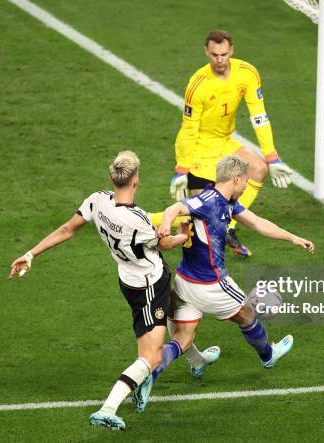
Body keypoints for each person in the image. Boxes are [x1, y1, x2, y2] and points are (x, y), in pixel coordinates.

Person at [9, 151, 218, 431]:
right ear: (136, 181)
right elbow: (163, 244)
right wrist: (182, 234)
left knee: (178, 311)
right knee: (151, 356)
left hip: (129, 281)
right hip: (149, 287)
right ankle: (109, 407)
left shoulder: (97, 200)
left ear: (111, 179)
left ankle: (197, 360)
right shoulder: (137, 220)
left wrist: (31, 254)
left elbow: (66, 229)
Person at [133, 154, 314, 411]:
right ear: (236, 178)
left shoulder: (226, 201)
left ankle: (149, 376)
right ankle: (268, 355)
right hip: (210, 283)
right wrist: (164, 225)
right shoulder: (207, 202)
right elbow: (175, 208)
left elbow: (258, 222)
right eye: (246, 182)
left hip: (184, 282)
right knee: (248, 313)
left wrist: (293, 237)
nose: (246, 186)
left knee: (183, 339)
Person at [151, 29, 294, 258]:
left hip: (225, 141)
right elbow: (189, 129)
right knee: (201, 215)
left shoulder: (247, 74)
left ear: (231, 51)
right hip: (199, 147)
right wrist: (181, 169)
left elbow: (259, 117)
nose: (220, 60)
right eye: (215, 54)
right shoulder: (197, 85)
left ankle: (229, 228)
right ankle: (149, 219)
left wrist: (272, 156)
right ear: (206, 52)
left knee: (258, 168)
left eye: (224, 54)